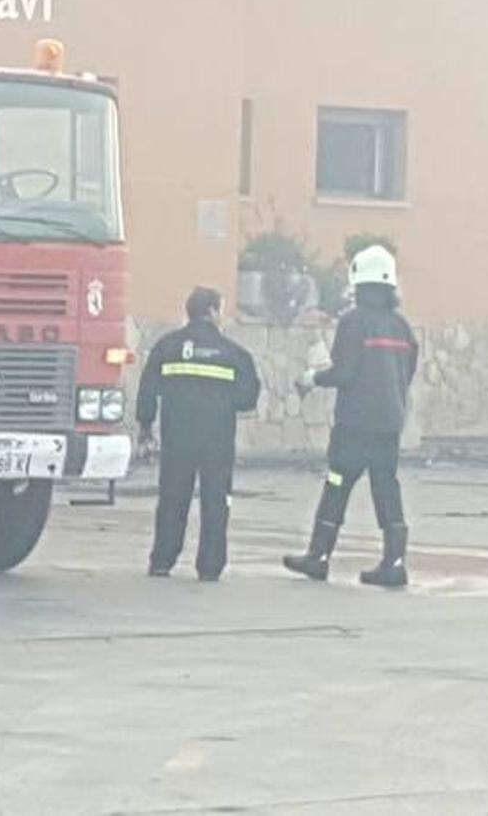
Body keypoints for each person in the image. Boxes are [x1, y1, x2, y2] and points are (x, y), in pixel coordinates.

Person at [283, 245, 418, 588]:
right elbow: (409, 370)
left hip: (356, 424)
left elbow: (344, 373)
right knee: (386, 486)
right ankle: (395, 562)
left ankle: (319, 556)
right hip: (389, 423)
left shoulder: (354, 322)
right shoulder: (401, 327)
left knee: (337, 483)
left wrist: (312, 378)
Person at [136, 287, 262, 582]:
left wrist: (145, 427)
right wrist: (220, 402)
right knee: (216, 500)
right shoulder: (235, 354)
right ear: (213, 312)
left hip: (177, 435)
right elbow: (248, 399)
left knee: (171, 498)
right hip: (217, 439)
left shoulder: (166, 346)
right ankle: (209, 566)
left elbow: (147, 390)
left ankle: (162, 561)